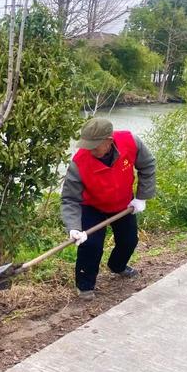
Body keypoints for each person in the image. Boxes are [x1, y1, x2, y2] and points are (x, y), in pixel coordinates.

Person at [61, 118, 156, 301]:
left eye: (95, 147)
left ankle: (117, 266)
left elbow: (148, 165)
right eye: (88, 146)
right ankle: (85, 285)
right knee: (91, 246)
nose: (91, 151)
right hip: (92, 206)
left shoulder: (131, 142)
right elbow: (69, 198)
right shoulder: (79, 162)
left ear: (109, 141)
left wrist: (141, 197)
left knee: (129, 241)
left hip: (123, 204)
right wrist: (73, 227)